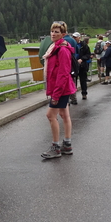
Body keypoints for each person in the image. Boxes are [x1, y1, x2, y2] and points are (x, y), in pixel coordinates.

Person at [40, 21, 76, 159]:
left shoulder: (62, 50)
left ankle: (56, 147)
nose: (53, 34)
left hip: (60, 89)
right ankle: (67, 145)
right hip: (61, 88)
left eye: (57, 32)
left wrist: (56, 95)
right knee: (64, 116)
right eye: (52, 31)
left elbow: (63, 73)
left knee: (50, 116)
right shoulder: (55, 47)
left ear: (63, 34)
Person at [72, 32, 92, 100]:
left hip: (82, 65)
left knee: (83, 80)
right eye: (73, 37)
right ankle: (73, 97)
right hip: (74, 65)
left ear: (79, 37)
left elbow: (88, 54)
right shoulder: (71, 45)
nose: (74, 38)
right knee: (73, 81)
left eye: (75, 37)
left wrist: (82, 59)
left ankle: (84, 93)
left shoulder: (84, 45)